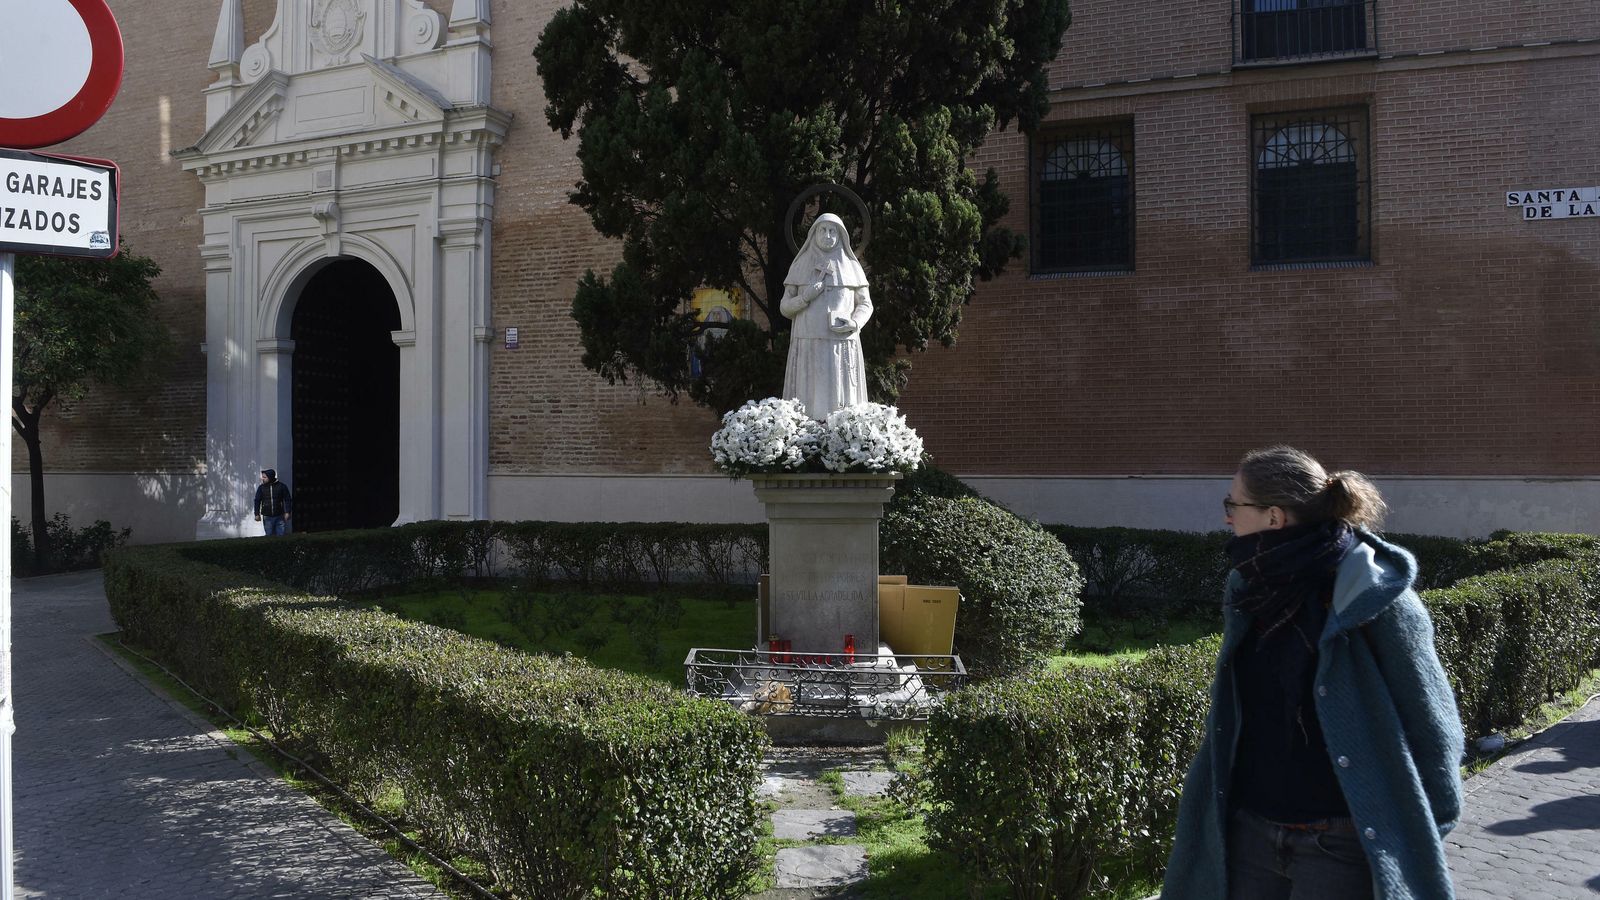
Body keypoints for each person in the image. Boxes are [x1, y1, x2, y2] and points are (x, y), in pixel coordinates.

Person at [1163, 446, 1464, 900]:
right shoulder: (1248, 586)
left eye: (1233, 504)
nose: (1227, 518)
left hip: (1339, 841)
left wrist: (1419, 832)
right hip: (1249, 830)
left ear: (1274, 517)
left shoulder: (1374, 595)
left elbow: (1433, 721)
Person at [780, 212, 872, 420]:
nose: (828, 235)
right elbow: (785, 308)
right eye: (822, 230)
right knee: (807, 402)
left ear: (841, 236)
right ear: (813, 234)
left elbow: (865, 304)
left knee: (840, 401)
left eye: (833, 231)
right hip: (807, 344)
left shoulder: (852, 266)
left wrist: (854, 322)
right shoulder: (800, 265)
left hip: (841, 344)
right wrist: (805, 297)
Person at [253, 468, 292, 536]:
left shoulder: (281, 486)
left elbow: (287, 499)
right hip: (267, 516)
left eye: (264, 477)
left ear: (270, 477)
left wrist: (287, 512)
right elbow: (257, 501)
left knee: (281, 536)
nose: (262, 479)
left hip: (279, 515)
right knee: (269, 536)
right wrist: (256, 514)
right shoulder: (261, 488)